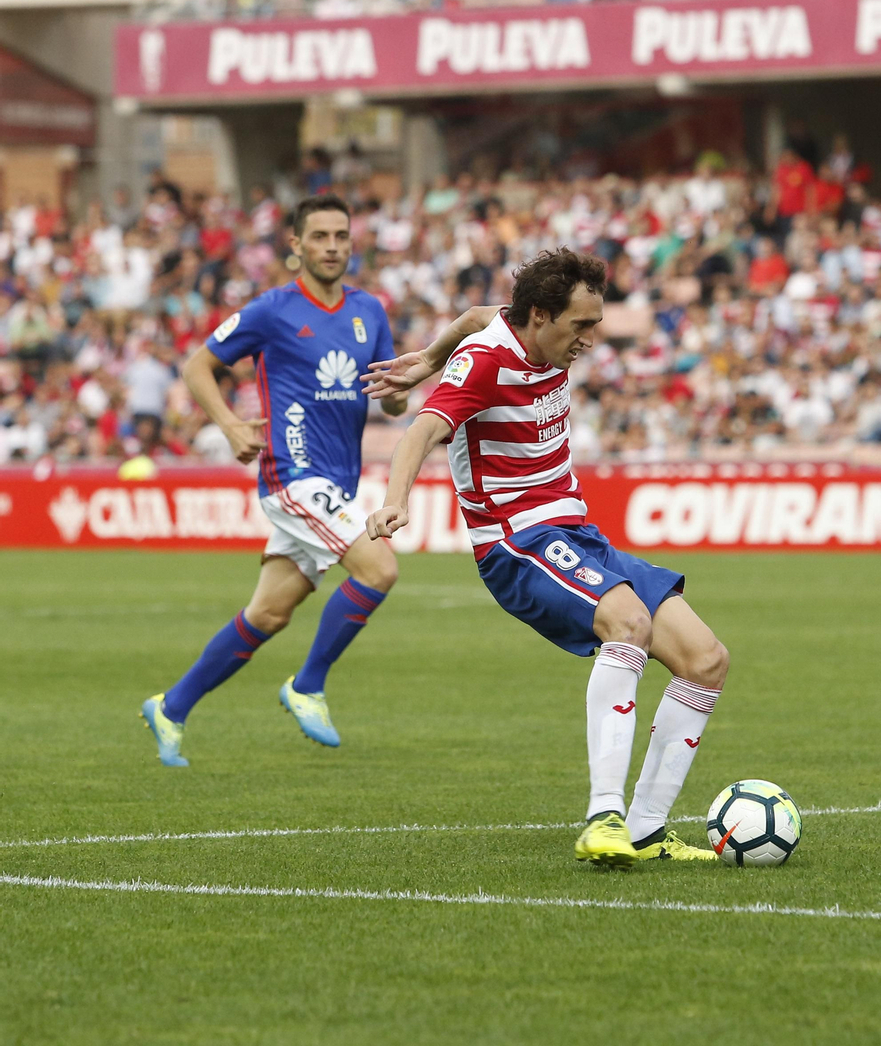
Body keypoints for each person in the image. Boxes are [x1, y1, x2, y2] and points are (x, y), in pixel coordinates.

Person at [364, 249, 728, 869]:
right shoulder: (485, 364)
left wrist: (427, 356)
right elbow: (422, 431)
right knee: (629, 625)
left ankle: (645, 830)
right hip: (516, 541)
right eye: (580, 326)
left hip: (576, 533)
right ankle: (603, 817)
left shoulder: (512, 329)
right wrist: (395, 500)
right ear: (539, 315)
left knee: (706, 660)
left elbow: (478, 312)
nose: (590, 339)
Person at [140, 196, 415, 767]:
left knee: (267, 614)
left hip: (337, 482)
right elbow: (197, 365)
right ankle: (308, 685)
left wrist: (397, 394)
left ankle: (171, 706)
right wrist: (230, 423)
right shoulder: (272, 310)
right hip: (292, 474)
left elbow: (390, 400)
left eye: (341, 235)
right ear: (296, 245)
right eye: (320, 236)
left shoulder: (371, 311)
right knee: (380, 568)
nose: (333, 246)